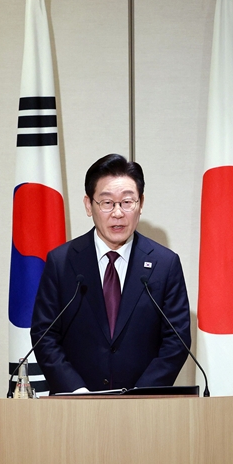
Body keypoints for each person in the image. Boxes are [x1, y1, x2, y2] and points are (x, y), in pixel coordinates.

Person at [31, 154, 191, 394]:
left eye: (127, 202)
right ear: (88, 205)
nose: (118, 213)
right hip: (76, 408)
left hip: (145, 410)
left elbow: (176, 341)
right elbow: (44, 334)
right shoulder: (61, 261)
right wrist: (76, 391)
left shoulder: (165, 264)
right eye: (107, 203)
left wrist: (141, 393)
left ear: (141, 203)